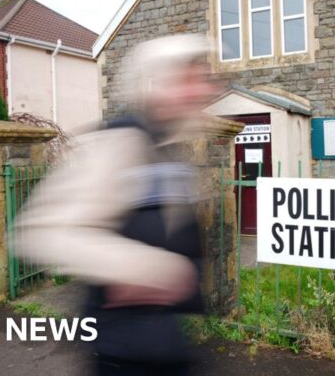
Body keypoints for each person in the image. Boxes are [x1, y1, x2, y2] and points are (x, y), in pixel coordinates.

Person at [14, 34, 221, 375]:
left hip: (165, 348)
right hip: (120, 355)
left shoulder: (172, 149)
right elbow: (41, 230)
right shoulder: (118, 142)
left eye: (203, 76)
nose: (202, 89)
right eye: (189, 78)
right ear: (156, 83)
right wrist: (146, 267)